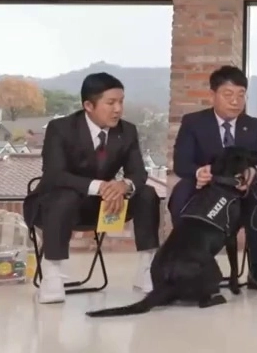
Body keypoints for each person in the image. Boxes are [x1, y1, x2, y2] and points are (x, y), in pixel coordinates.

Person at [24, 73, 161, 304]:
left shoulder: (127, 131)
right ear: (88, 105)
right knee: (64, 197)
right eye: (111, 103)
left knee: (147, 193)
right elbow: (55, 174)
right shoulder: (61, 128)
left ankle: (147, 269)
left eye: (121, 102)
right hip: (53, 206)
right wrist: (101, 187)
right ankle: (52, 275)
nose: (118, 109)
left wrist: (123, 185)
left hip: (102, 208)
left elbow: (138, 173)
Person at [170, 65, 257, 293]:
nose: (235, 101)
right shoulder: (193, 123)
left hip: (241, 192)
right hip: (206, 189)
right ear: (213, 95)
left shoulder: (255, 126)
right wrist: (198, 172)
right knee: (181, 191)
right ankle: (190, 262)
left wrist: (254, 171)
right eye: (228, 94)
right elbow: (181, 164)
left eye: (241, 95)